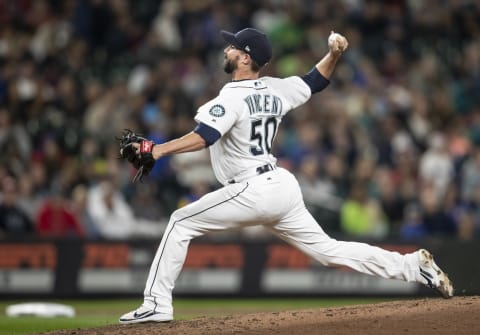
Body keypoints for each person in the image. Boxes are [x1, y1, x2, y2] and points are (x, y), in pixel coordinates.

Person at [119, 28, 453, 324]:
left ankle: (157, 304)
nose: (226, 50)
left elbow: (205, 135)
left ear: (245, 58)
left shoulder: (230, 97)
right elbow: (315, 81)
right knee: (328, 251)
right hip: (281, 186)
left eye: (233, 47)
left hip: (252, 188)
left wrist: (157, 149)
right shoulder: (276, 89)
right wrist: (334, 53)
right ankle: (412, 266)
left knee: (180, 222)